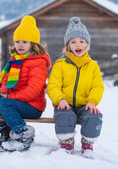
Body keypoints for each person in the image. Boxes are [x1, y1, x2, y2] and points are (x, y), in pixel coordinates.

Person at [0, 15, 51, 150]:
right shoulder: (15, 60)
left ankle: (23, 133)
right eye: (17, 41)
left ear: (33, 44)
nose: (20, 45)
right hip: (13, 103)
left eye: (25, 42)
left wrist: (8, 98)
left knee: (3, 103)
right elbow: (6, 82)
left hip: (32, 107)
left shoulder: (38, 63)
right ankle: (7, 130)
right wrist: (3, 92)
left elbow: (33, 91)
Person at [47, 17, 104, 157]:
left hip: (85, 105)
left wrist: (92, 101)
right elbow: (53, 85)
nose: (78, 45)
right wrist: (59, 99)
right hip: (64, 104)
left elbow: (98, 86)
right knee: (64, 114)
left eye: (81, 41)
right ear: (68, 45)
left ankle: (87, 144)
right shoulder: (60, 64)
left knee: (94, 115)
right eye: (73, 42)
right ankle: (66, 143)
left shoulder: (92, 66)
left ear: (87, 44)